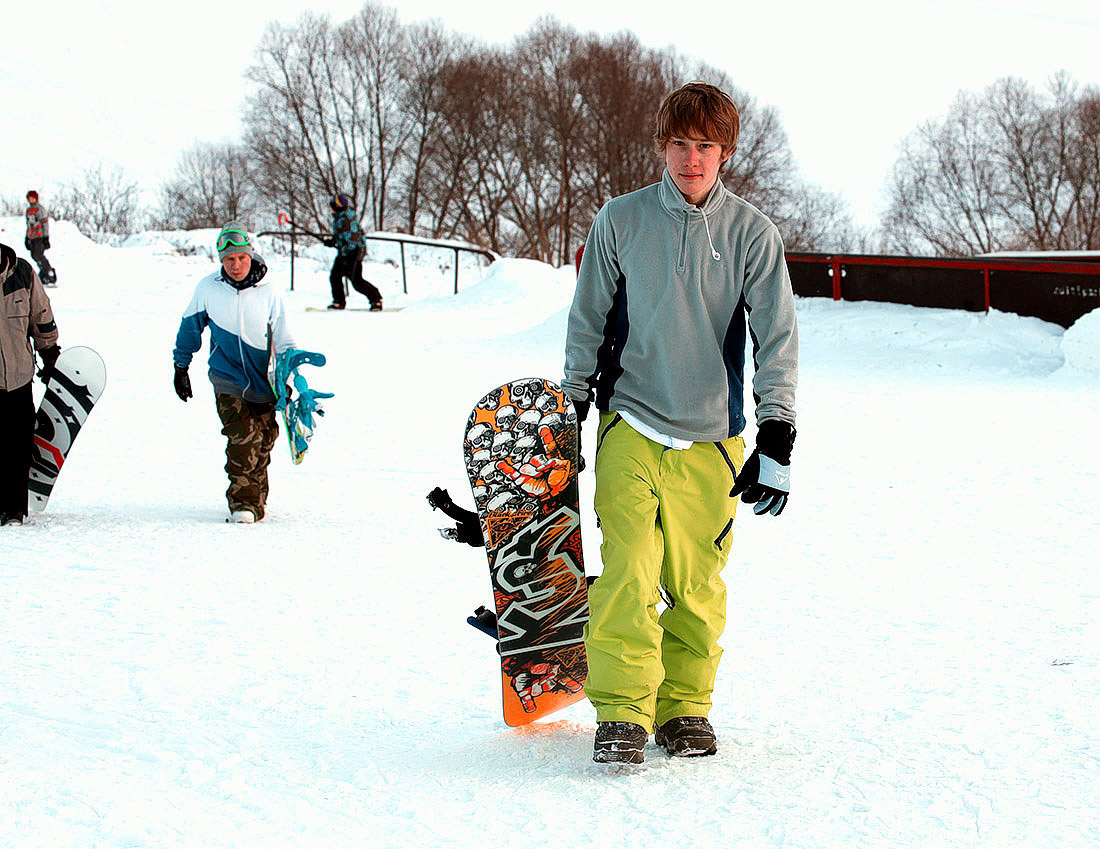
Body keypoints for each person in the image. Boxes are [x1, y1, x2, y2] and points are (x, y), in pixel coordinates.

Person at [563, 82, 799, 764]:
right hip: (631, 421)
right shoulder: (621, 220)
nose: (691, 160)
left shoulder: (754, 234)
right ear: (661, 146)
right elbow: (587, 321)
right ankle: (623, 713)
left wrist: (776, 433)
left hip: (711, 439)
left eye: (705, 146)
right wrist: (571, 408)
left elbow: (777, 338)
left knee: (696, 585)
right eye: (679, 144)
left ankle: (685, 708)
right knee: (630, 573)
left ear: (725, 151)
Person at [172, 222, 295, 524]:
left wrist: (290, 378)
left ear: (251, 255)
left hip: (265, 380)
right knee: (242, 437)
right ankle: (243, 503)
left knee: (264, 439)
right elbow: (190, 328)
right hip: (227, 378)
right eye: (229, 259)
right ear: (220, 260)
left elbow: (285, 339)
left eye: (241, 258)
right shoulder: (208, 288)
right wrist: (181, 366)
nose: (236, 265)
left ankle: (256, 497)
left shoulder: (270, 289)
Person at [0, 242, 61, 526]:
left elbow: (41, 315)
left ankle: (14, 509)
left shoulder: (22, 272)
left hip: (19, 376)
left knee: (19, 445)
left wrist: (50, 355)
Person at [324, 193, 382, 311]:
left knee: (357, 282)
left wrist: (344, 251)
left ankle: (376, 300)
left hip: (353, 254)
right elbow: (341, 236)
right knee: (335, 277)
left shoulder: (348, 220)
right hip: (345, 253)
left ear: (336, 207)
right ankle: (339, 302)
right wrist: (333, 241)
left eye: (331, 205)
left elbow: (353, 241)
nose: (329, 207)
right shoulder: (340, 218)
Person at [24, 190, 56, 285]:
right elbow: (28, 224)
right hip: (32, 236)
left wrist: (46, 237)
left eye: (33, 198)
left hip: (40, 235)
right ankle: (43, 271)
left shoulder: (40, 209)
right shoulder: (28, 210)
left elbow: (45, 223)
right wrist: (27, 237)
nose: (31, 200)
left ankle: (49, 272)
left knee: (39, 254)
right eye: (30, 198)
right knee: (34, 255)